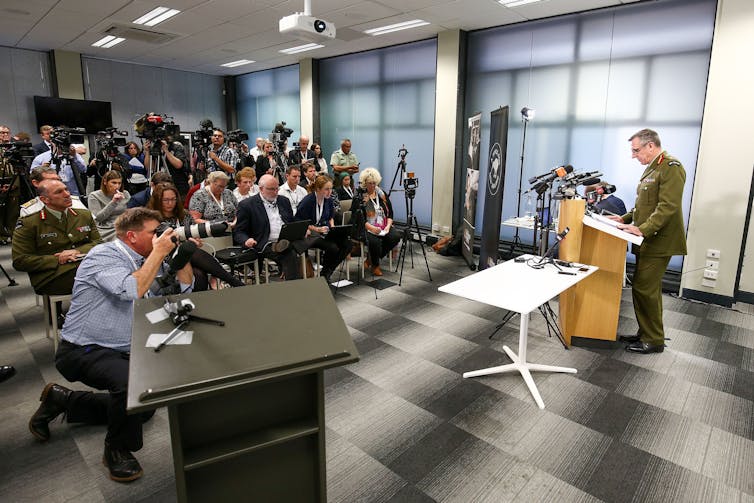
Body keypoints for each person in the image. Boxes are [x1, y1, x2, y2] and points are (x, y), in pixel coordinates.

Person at [28, 208, 193, 482]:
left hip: (123, 347)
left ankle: (65, 400)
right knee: (130, 387)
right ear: (131, 236)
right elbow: (132, 290)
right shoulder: (103, 256)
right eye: (154, 232)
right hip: (83, 348)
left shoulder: (147, 258)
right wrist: (159, 252)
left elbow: (182, 292)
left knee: (143, 409)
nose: (160, 237)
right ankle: (116, 450)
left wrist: (182, 256)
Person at [608, 128, 687, 354]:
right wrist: (623, 218)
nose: (634, 156)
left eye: (636, 151)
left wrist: (642, 230)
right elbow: (644, 206)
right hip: (647, 239)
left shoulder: (671, 167)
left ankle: (653, 340)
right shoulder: (653, 168)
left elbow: (667, 208)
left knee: (645, 289)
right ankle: (646, 333)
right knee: (644, 288)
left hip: (658, 241)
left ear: (650, 145)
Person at [12, 179, 101, 295]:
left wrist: (77, 251)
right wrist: (58, 259)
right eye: (59, 192)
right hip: (51, 276)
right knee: (103, 279)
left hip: (84, 267)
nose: (67, 194)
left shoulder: (84, 215)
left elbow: (98, 242)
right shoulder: (29, 223)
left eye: (66, 189)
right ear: (45, 199)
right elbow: (20, 261)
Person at [148, 183, 244, 290]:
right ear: (157, 200)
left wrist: (196, 242)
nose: (170, 203)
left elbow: (194, 232)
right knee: (191, 252)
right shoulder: (152, 219)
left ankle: (201, 302)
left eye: (173, 199)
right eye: (166, 200)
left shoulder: (184, 214)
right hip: (165, 257)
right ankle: (233, 282)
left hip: (189, 255)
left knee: (199, 273)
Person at [233, 174, 303, 281]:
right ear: (261, 189)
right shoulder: (247, 205)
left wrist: (300, 229)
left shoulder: (284, 201)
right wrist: (246, 240)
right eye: (271, 189)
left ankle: (294, 278)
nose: (275, 192)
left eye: (277, 188)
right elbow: (239, 231)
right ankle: (295, 285)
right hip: (265, 241)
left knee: (306, 243)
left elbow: (291, 222)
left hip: (286, 238)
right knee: (290, 253)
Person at [297, 175, 351, 282]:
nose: (329, 192)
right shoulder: (308, 201)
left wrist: (333, 228)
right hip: (310, 234)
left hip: (324, 231)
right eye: (326, 189)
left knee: (347, 244)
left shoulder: (328, 200)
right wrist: (317, 229)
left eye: (331, 188)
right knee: (333, 247)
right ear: (318, 189)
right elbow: (300, 221)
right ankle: (325, 273)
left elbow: (331, 217)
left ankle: (327, 271)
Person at [354, 167, 401, 276]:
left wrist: (388, 226)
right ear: (365, 183)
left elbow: (390, 212)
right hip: (365, 227)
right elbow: (357, 219)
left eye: (374, 183)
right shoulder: (360, 196)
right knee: (374, 241)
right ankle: (375, 265)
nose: (373, 186)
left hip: (383, 225)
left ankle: (371, 258)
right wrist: (372, 228)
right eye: (370, 183)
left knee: (395, 236)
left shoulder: (382, 194)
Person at [88, 170, 131, 242]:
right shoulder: (94, 196)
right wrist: (113, 202)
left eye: (119, 183)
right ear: (105, 182)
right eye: (114, 183)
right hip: (106, 228)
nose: (117, 186)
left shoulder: (125, 194)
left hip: (124, 224)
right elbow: (98, 218)